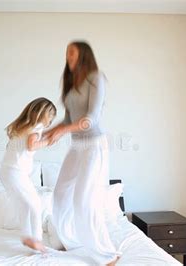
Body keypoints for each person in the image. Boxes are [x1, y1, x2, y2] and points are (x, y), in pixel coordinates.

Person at [45, 41, 120, 265]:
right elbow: (69, 120)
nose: (68, 56)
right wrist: (49, 132)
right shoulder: (70, 83)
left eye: (72, 52)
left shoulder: (96, 77)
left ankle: (107, 254)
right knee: (60, 194)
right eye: (66, 52)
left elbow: (91, 119)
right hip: (77, 146)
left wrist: (61, 131)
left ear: (83, 55)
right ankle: (70, 241)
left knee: (83, 199)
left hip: (94, 145)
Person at [0, 97, 56, 252]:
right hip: (16, 173)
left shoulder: (21, 127)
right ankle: (37, 242)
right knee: (36, 205)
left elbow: (25, 144)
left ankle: (26, 237)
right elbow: (31, 146)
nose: (50, 121)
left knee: (25, 206)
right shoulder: (36, 127)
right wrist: (48, 142)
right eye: (51, 117)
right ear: (44, 114)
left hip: (6, 171)